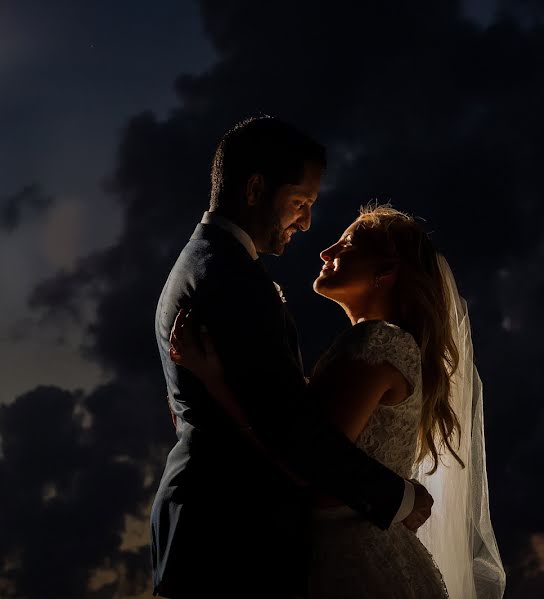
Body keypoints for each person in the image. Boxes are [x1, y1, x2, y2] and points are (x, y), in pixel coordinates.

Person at [149, 116, 433, 599]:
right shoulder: (232, 279)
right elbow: (295, 436)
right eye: (300, 203)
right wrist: (399, 498)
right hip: (230, 532)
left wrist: (213, 388)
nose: (305, 223)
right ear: (257, 189)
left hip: (215, 523)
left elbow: (278, 409)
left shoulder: (204, 263)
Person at [170, 205, 506, 597]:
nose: (325, 252)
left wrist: (216, 385)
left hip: (352, 567)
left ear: (385, 272)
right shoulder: (371, 346)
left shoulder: (377, 345)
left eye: (346, 245)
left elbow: (310, 467)